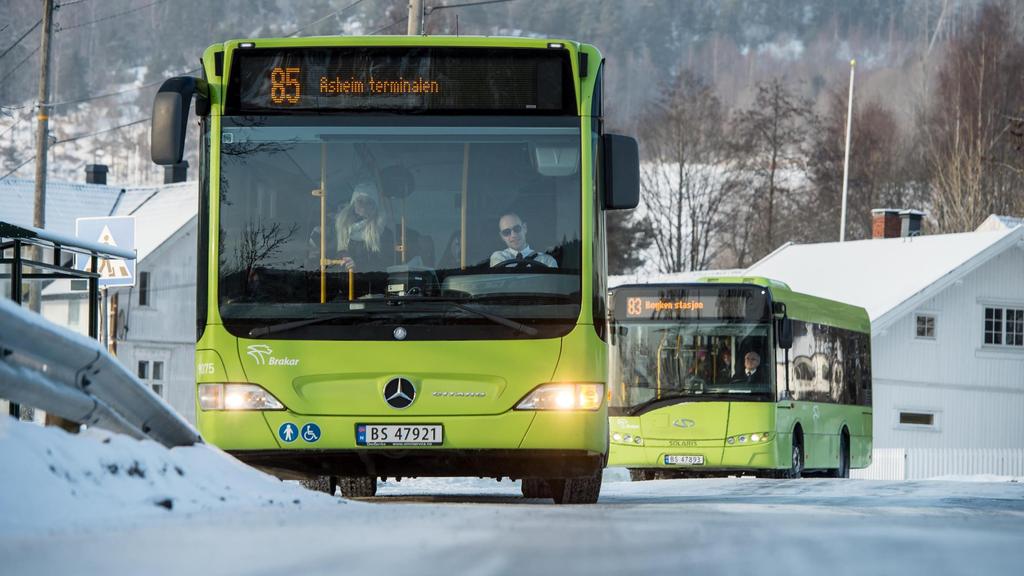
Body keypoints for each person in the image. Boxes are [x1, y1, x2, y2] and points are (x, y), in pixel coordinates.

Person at [335, 183, 396, 273]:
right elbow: (330, 260)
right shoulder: (340, 229)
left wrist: (357, 266)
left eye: (369, 203)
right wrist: (342, 262)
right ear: (353, 203)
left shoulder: (384, 233)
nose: (363, 206)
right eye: (360, 201)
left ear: (375, 207)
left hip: (371, 284)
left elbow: (385, 264)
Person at [488, 212, 557, 268]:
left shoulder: (547, 260)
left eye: (516, 228)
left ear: (524, 228)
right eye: (506, 232)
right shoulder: (498, 257)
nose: (513, 235)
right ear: (502, 236)